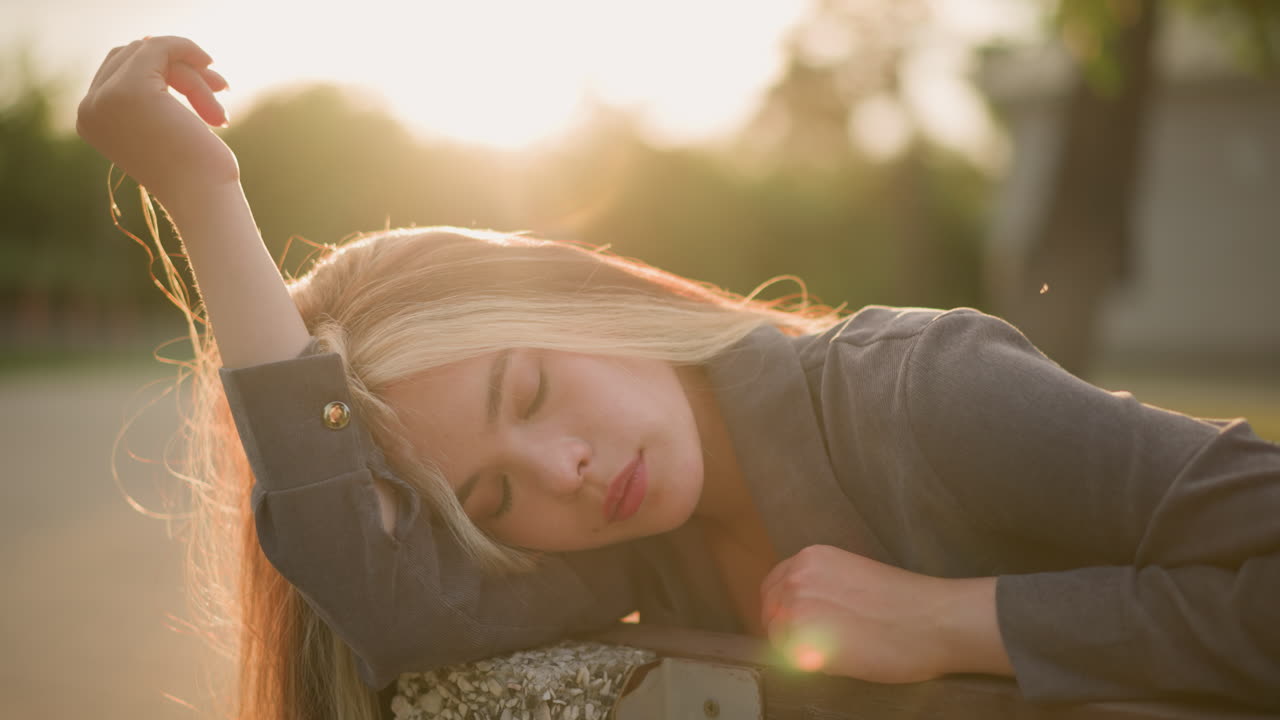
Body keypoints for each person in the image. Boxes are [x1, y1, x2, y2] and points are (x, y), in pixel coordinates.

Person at [77, 37, 1280, 720]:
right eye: (494, 501)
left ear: (581, 301)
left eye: (532, 393)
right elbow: (380, 597)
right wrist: (205, 198)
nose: (564, 474)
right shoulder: (622, 551)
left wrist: (963, 621)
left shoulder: (919, 392)